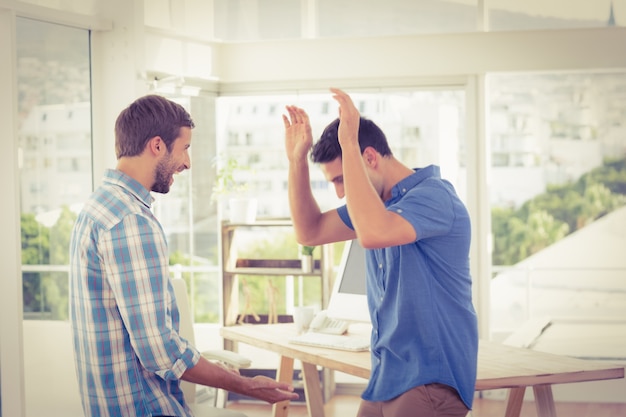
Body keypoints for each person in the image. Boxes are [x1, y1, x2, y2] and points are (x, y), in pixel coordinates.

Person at [69, 94, 298, 417]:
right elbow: (158, 350)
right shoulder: (130, 221)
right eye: (185, 148)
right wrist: (246, 385)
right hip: (143, 407)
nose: (187, 163)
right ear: (157, 146)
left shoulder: (99, 206)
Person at [282, 88, 478, 417]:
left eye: (343, 178)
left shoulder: (434, 198)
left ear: (369, 158)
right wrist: (296, 161)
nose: (342, 193)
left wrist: (349, 144)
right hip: (387, 376)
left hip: (429, 379)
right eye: (334, 183)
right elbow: (310, 231)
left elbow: (374, 234)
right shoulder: (379, 206)